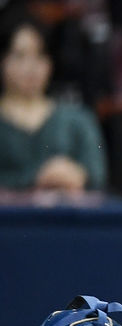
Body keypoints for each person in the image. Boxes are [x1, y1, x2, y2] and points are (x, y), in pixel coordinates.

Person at [0, 10, 107, 196]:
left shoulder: (78, 120)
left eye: (40, 55)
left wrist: (76, 176)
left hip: (67, 221)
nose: (31, 67)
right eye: (20, 55)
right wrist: (38, 178)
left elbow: (97, 177)